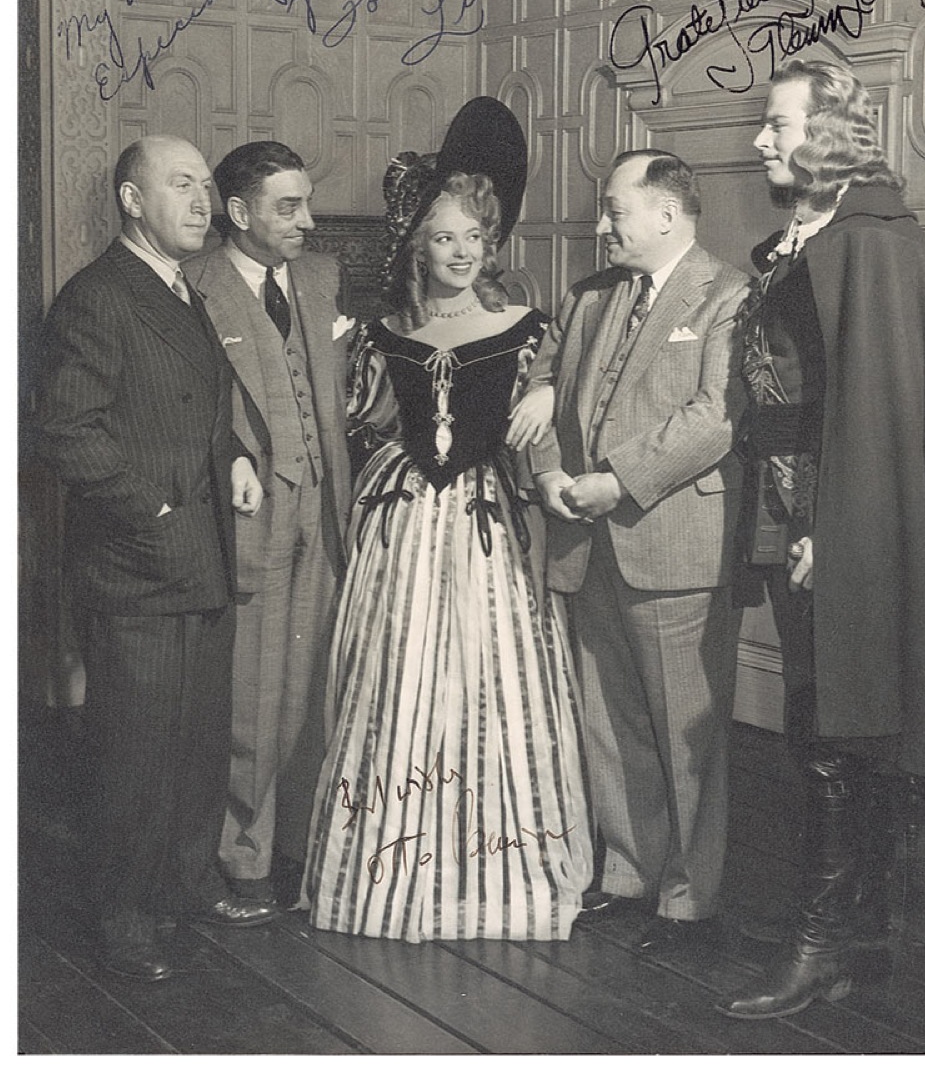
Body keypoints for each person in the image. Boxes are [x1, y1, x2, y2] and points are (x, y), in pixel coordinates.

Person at [717, 58, 925, 1020]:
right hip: (793, 503)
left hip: (839, 515)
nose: (760, 139)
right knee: (823, 719)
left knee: (838, 725)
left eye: (776, 123)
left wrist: (833, 531)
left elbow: (870, 405)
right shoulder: (810, 236)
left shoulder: (870, 239)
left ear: (825, 130)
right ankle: (854, 928)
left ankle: (823, 942)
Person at [301, 97, 593, 942]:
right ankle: (395, 870)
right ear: (417, 249)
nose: (461, 252)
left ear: (489, 243)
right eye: (443, 238)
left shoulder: (526, 330)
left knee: (486, 683)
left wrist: (546, 390)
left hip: (485, 523)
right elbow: (360, 418)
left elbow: (566, 391)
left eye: (473, 237)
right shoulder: (385, 333)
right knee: (400, 677)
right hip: (404, 526)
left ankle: (492, 874)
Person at [34, 135, 278, 984]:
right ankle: (127, 916)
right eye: (181, 184)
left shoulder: (182, 288)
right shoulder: (97, 296)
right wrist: (157, 511)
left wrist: (235, 457)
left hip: (198, 557)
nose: (203, 200)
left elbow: (196, 411)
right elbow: (66, 430)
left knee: (196, 742)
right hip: (138, 565)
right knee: (134, 752)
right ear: (132, 201)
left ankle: (186, 883)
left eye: (206, 184)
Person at [527, 149, 750, 956]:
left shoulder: (727, 294)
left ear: (665, 212)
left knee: (685, 734)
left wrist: (615, 482)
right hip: (584, 543)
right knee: (609, 722)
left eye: (614, 211)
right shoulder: (588, 296)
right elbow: (537, 389)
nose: (600, 225)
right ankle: (627, 875)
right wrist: (548, 471)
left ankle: (688, 900)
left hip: (673, 547)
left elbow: (714, 416)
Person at [185, 142, 352, 906]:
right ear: (238, 211)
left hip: (324, 503)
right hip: (251, 512)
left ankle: (301, 846)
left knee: (314, 684)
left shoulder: (320, 277)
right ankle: (241, 857)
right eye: (288, 207)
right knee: (251, 693)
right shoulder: (194, 284)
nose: (307, 220)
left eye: (306, 202)